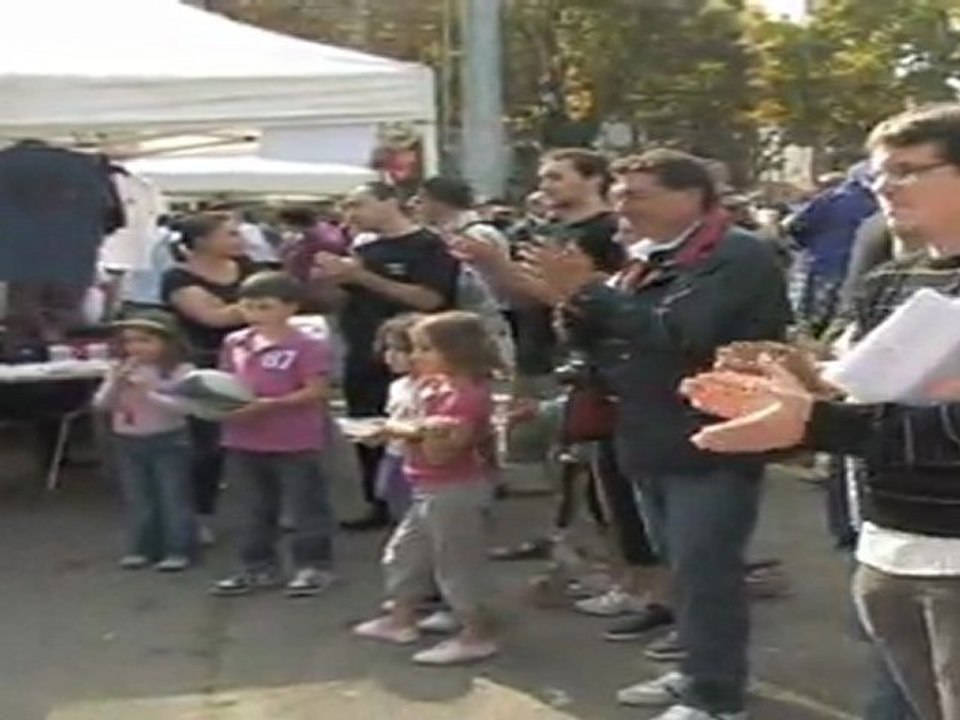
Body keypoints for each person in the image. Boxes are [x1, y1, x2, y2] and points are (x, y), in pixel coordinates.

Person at [683, 103, 960, 720]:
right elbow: (855, 387)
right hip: (887, 545)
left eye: (909, 170)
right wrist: (792, 380)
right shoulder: (888, 278)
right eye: (878, 173)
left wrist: (813, 422)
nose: (883, 187)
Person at [527, 150, 791, 720]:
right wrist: (571, 302)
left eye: (636, 194)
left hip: (712, 436)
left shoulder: (737, 256)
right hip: (647, 429)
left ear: (690, 196)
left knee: (706, 569)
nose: (622, 206)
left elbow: (686, 335)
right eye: (619, 194)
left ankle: (716, 698)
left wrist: (592, 293)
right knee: (681, 568)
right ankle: (699, 673)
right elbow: (605, 340)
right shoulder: (645, 259)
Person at [353, 311, 501, 665]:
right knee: (404, 554)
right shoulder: (437, 389)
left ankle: (475, 635)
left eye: (424, 349)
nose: (415, 356)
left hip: (454, 490)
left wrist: (399, 431)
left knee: (456, 566)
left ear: (457, 352)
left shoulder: (465, 396)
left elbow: (442, 451)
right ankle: (401, 619)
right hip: (428, 488)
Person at [314, 181, 459, 531]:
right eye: (346, 207)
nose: (350, 215)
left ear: (389, 202)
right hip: (363, 352)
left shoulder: (428, 246)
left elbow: (428, 300)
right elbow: (341, 301)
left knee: (416, 427)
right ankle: (377, 502)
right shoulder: (364, 247)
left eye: (358, 205)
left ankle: (426, 504)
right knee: (369, 429)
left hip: (417, 357)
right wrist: (328, 281)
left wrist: (361, 276)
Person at [211, 272, 336, 598]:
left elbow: (317, 390)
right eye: (248, 306)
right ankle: (257, 566)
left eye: (264, 307)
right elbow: (224, 382)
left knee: (305, 504)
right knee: (252, 506)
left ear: (290, 307)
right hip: (243, 437)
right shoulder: (235, 342)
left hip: (294, 438)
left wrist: (270, 404)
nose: (255, 314)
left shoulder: (306, 345)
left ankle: (313, 566)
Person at [161, 213, 254, 542]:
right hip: (205, 364)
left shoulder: (248, 267)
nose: (238, 239)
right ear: (201, 241)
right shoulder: (177, 277)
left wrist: (238, 308)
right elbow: (210, 317)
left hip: (254, 360)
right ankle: (201, 513)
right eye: (229, 234)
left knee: (262, 437)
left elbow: (283, 299)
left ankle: (269, 508)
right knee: (208, 447)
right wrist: (253, 306)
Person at [93, 311, 195, 572]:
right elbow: (101, 404)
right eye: (130, 341)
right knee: (138, 497)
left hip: (168, 440)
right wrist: (115, 383)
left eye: (145, 340)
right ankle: (141, 548)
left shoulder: (181, 371)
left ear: (167, 342)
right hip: (128, 441)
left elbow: (183, 408)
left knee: (172, 496)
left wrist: (148, 393)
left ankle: (178, 549)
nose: (135, 347)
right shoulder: (119, 369)